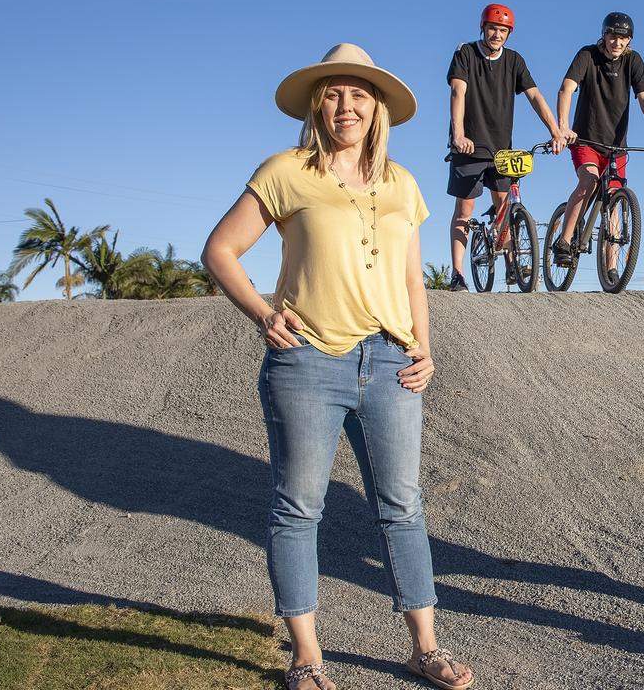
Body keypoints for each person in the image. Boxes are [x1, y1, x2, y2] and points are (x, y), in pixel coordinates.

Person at [201, 43, 474, 690]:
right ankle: (307, 658)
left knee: (403, 506)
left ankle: (424, 648)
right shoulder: (287, 170)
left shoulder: (402, 183)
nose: (344, 104)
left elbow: (413, 278)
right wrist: (265, 315)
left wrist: (425, 346)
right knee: (299, 508)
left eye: (357, 93)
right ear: (316, 105)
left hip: (390, 363)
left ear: (377, 106)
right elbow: (220, 250)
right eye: (332, 93)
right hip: (307, 364)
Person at [446, 3, 565, 292]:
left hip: (501, 149)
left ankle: (512, 265)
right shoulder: (466, 54)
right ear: (482, 28)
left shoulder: (514, 61)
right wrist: (459, 134)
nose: (496, 34)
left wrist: (555, 131)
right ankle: (458, 274)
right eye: (492, 28)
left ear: (508, 34)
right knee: (465, 209)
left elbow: (534, 96)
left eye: (502, 30)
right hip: (469, 147)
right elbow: (457, 91)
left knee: (505, 207)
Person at [550, 11, 644, 276]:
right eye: (613, 36)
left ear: (630, 40)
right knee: (589, 181)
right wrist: (563, 126)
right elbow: (566, 88)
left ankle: (611, 268)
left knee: (614, 199)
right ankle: (564, 242)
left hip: (617, 147)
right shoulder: (587, 55)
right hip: (585, 139)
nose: (617, 42)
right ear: (604, 35)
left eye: (623, 37)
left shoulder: (633, 61)